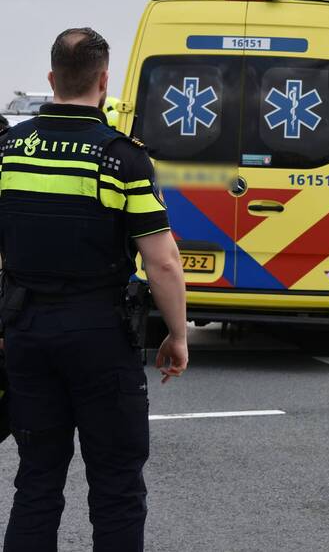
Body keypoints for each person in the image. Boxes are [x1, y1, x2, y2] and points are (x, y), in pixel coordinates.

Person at [0, 28, 188, 551]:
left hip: (25, 332)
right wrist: (177, 335)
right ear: (105, 81)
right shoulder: (121, 157)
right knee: (116, 487)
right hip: (100, 336)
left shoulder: (9, 151)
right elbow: (164, 262)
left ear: (50, 78)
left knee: (36, 482)